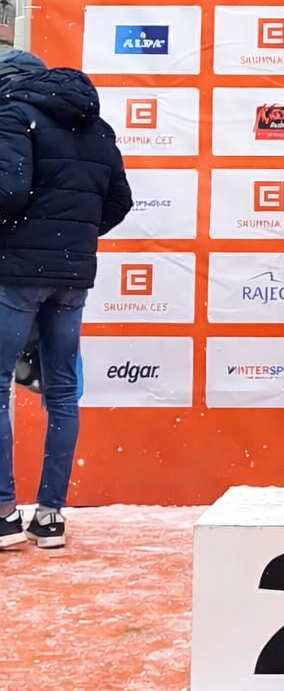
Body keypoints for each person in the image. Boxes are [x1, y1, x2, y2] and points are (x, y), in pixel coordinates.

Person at [0, 50, 132, 550]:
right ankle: (51, 516)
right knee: (61, 392)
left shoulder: (13, 114)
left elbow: (8, 193)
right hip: (72, 276)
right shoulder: (97, 127)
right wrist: (73, 237)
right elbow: (119, 202)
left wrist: (28, 237)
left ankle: (4, 514)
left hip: (17, 272)